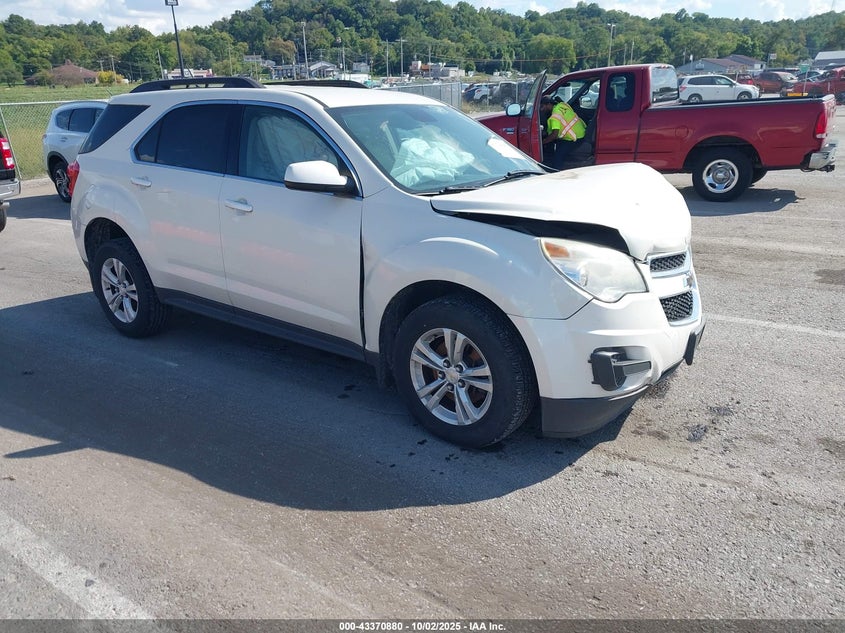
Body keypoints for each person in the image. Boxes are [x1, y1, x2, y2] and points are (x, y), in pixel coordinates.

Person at [540, 95, 586, 169]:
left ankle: (556, 172)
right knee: (557, 144)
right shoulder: (561, 105)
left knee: (557, 158)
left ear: (548, 104)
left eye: (542, 106)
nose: (541, 110)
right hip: (581, 132)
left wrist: (542, 142)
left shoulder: (555, 116)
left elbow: (554, 135)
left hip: (575, 138)